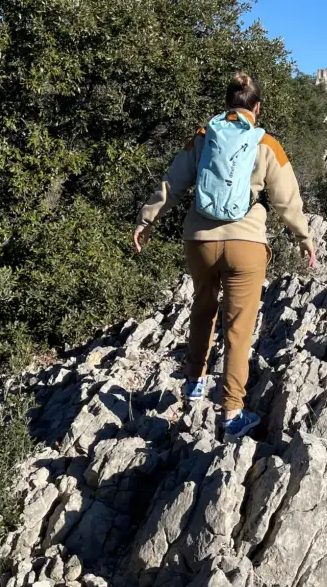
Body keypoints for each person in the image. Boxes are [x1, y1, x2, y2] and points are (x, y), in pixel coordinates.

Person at [133, 72, 316, 439]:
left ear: (227, 104)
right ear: (257, 108)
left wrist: (146, 218)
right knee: (238, 329)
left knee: (202, 307)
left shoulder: (203, 138)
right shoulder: (267, 144)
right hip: (245, 245)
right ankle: (232, 412)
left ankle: (194, 383)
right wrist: (304, 236)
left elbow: (172, 182)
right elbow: (286, 199)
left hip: (199, 240)